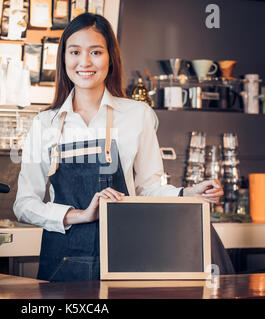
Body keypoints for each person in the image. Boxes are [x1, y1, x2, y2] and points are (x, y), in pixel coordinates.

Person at [13, 13, 234, 282]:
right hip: (61, 263)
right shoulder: (43, 123)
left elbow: (146, 189)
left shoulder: (138, 115)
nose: (84, 62)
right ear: (64, 59)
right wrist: (80, 215)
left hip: (125, 257)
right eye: (75, 52)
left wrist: (187, 193)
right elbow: (24, 204)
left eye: (95, 52)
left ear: (110, 58)